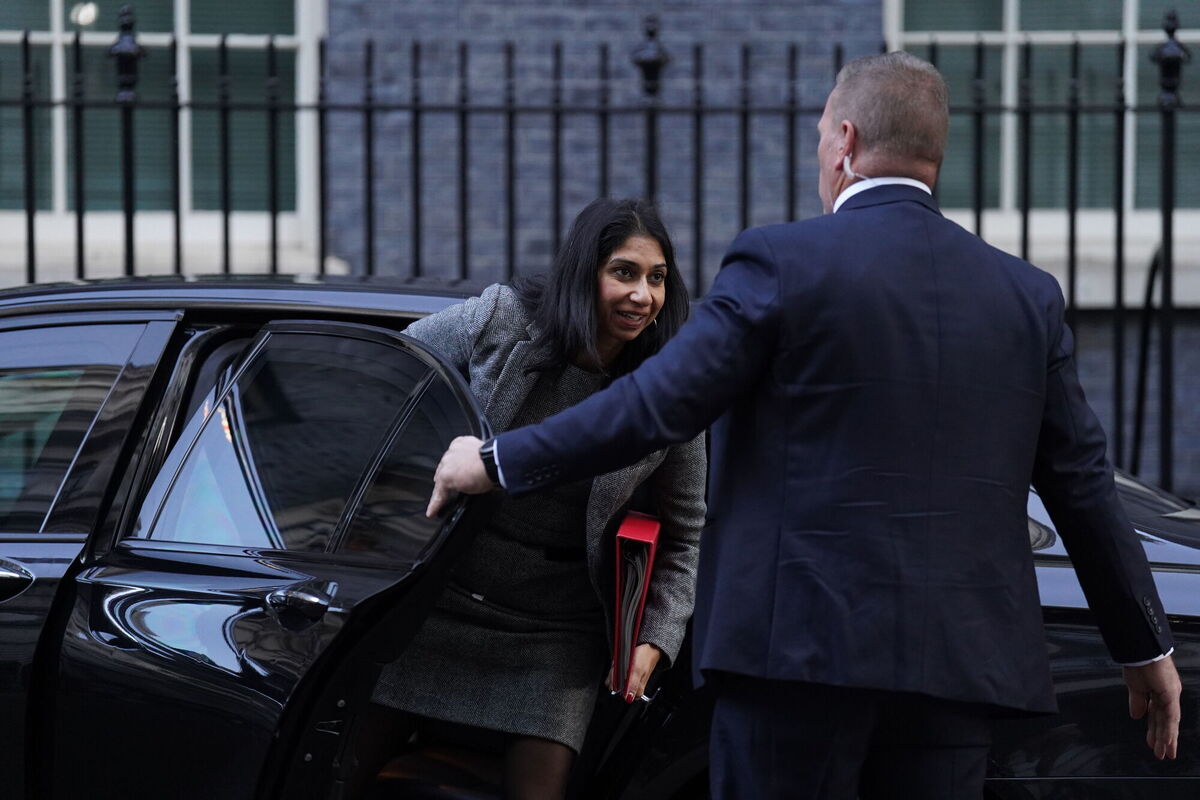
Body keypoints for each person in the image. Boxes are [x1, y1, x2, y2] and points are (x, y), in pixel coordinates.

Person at [424, 52, 1182, 799]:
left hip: (797, 658)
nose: (821, 156)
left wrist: (498, 459)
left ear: (846, 143)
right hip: (956, 669)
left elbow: (658, 402)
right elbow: (1083, 487)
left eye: (822, 137)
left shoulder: (783, 260)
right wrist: (1143, 644)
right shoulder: (1026, 295)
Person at [368, 198, 706, 800]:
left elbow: (685, 531)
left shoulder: (668, 385)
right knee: (341, 765)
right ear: (584, 272)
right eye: (624, 272)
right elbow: (389, 376)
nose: (643, 295)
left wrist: (656, 637)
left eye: (657, 278)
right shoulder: (501, 321)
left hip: (557, 632)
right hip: (437, 603)